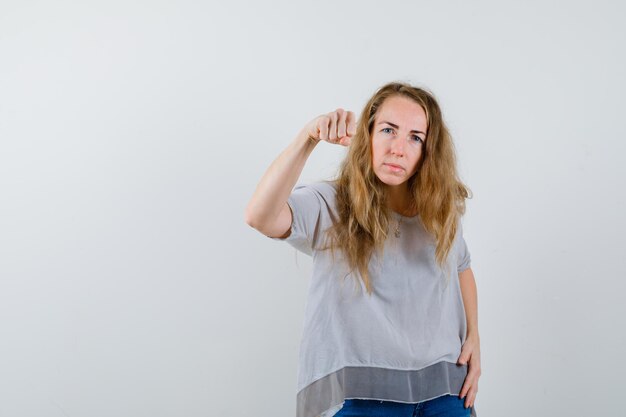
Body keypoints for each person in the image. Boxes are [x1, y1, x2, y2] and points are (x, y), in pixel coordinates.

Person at [244, 81, 481, 417]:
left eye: (416, 137)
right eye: (388, 130)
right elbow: (259, 216)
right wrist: (307, 138)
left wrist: (474, 338)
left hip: (445, 389)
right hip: (366, 397)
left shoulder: (438, 211)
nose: (399, 148)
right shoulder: (332, 204)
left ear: (429, 151)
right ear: (367, 135)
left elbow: (462, 266)